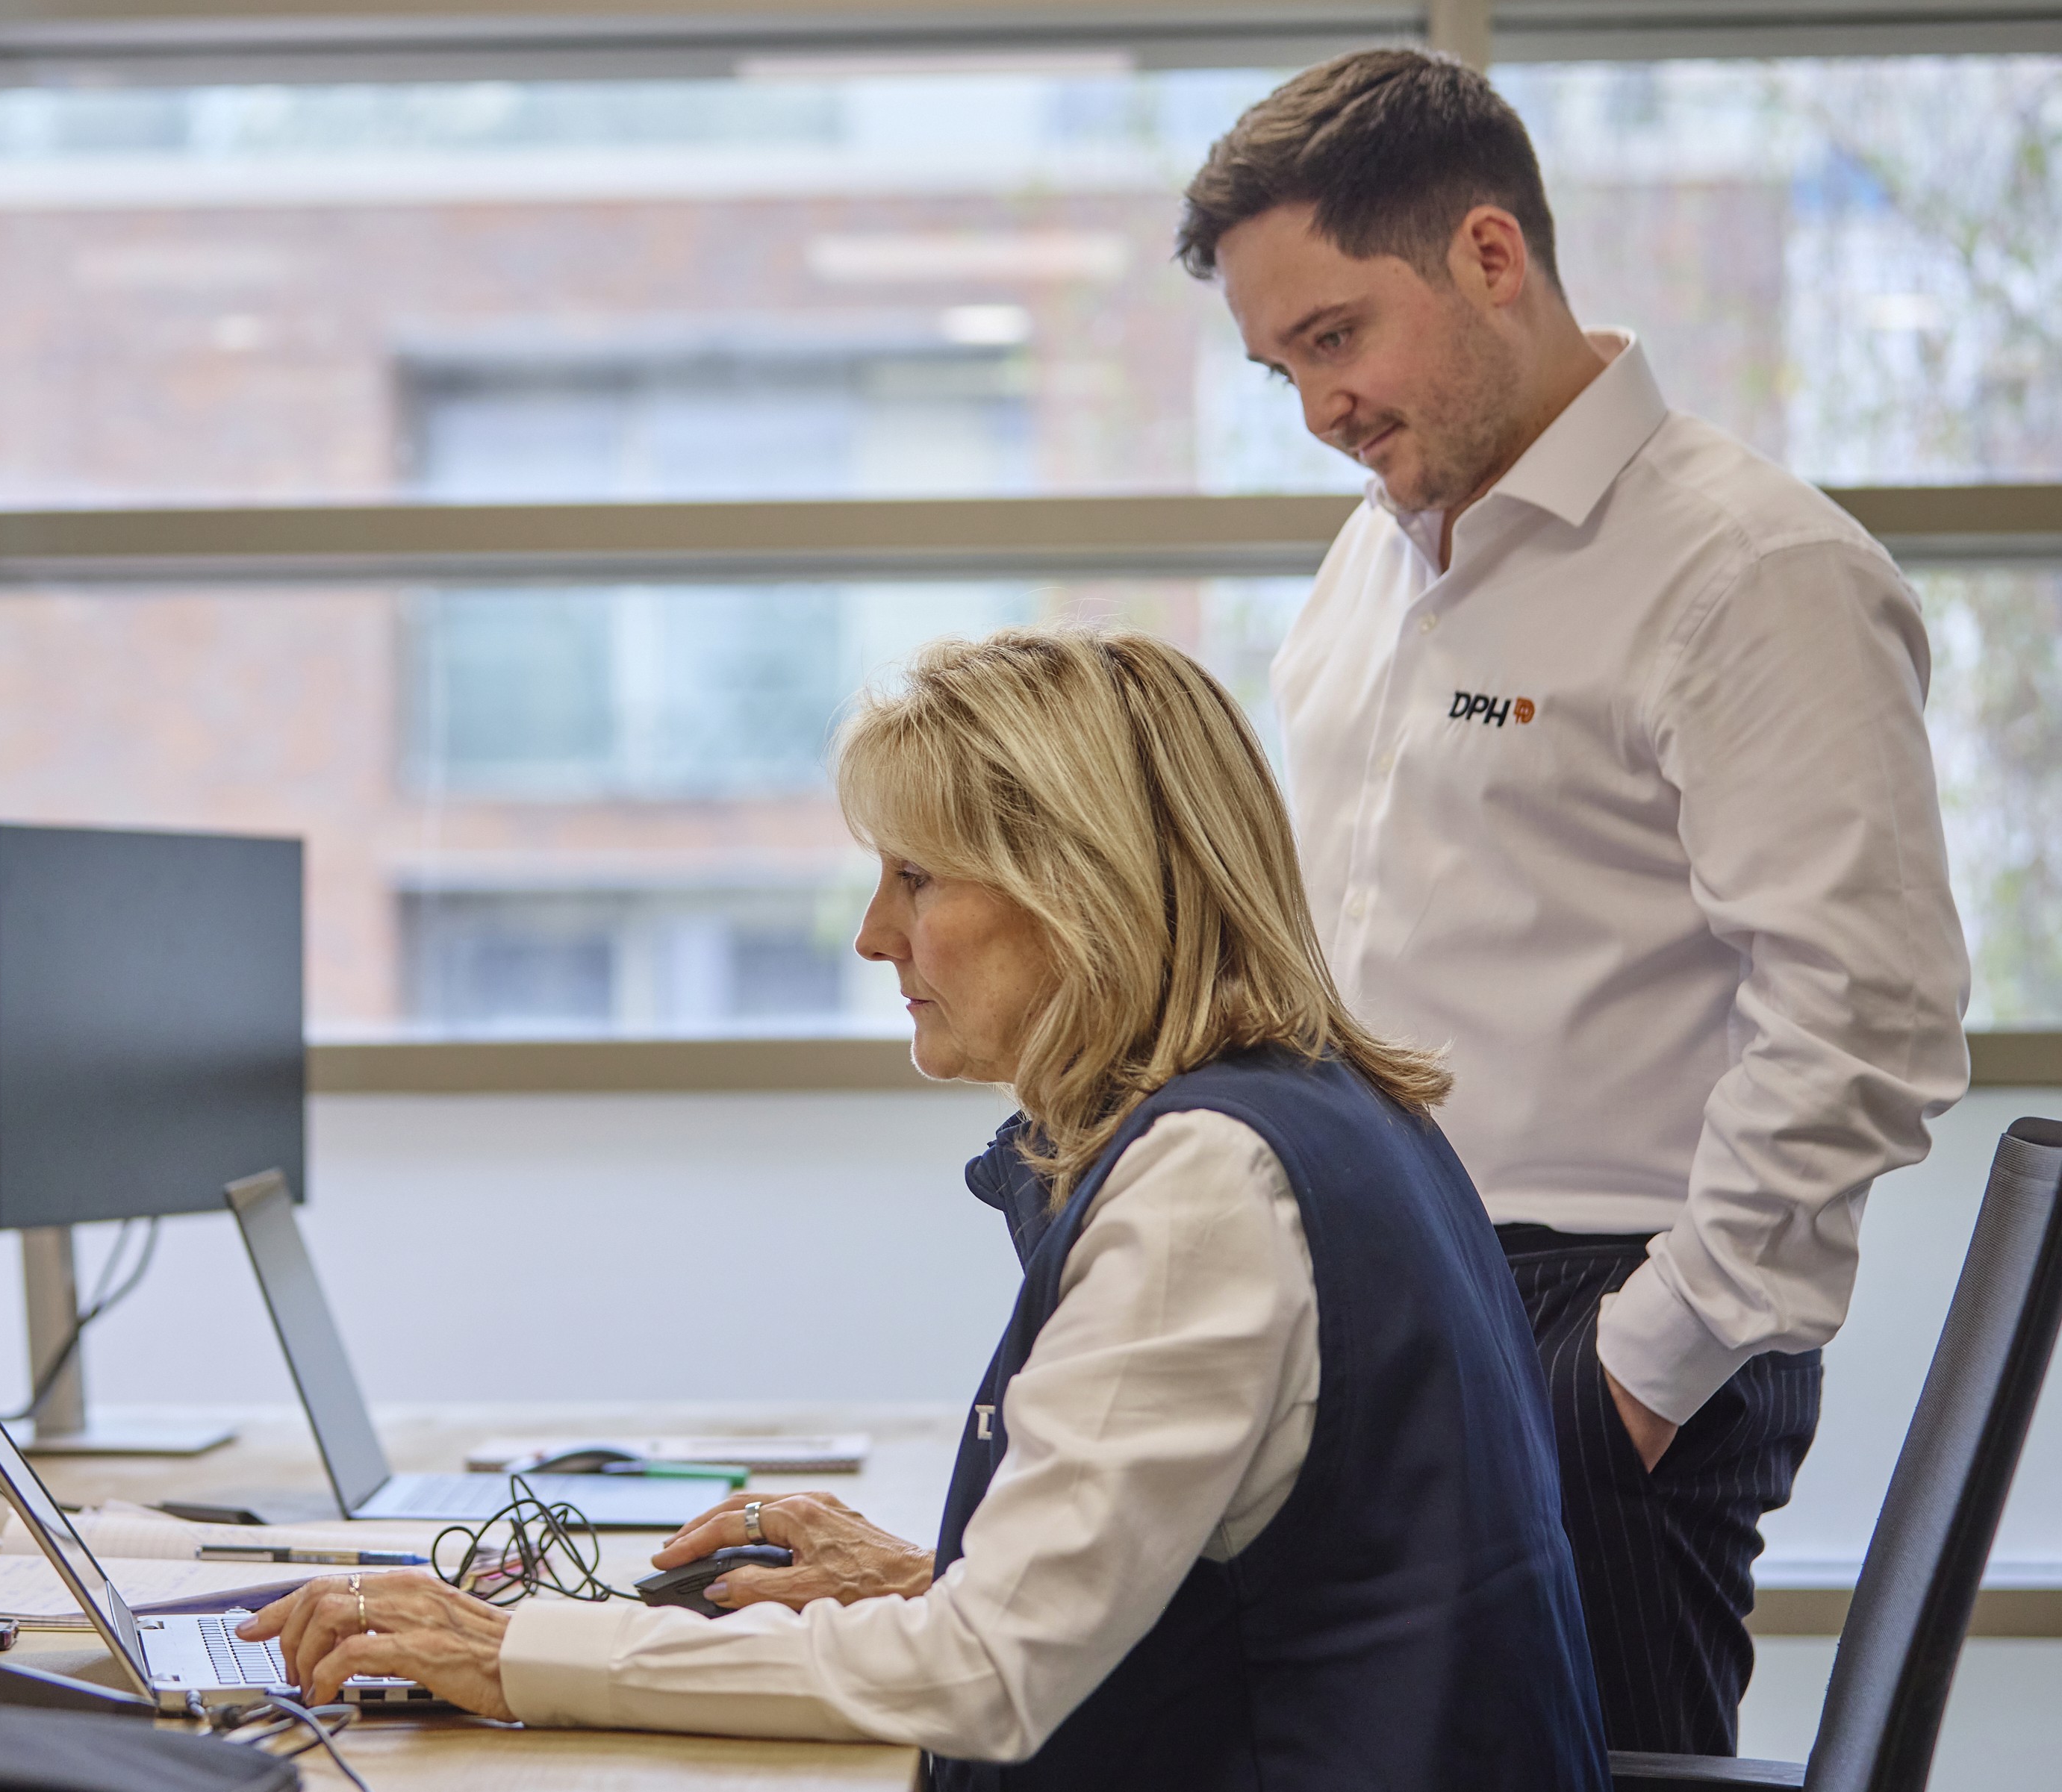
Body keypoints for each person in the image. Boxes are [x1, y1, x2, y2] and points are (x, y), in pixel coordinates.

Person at [246, 626, 1608, 1791]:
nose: (873, 935)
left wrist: (510, 1649)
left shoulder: (1208, 1183)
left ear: (1081, 891)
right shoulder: (1334, 1113)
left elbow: (991, 1676)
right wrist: (931, 1579)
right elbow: (1255, 1582)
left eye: (917, 878)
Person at [1173, 49, 1972, 1755]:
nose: (1318, 406)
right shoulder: (1378, 553)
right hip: (1385, 1288)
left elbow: (1867, 1024)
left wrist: (1639, 1376)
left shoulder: (1756, 573)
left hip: (1592, 1323)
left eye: (1336, 339)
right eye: (1278, 367)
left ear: (1488, 256)